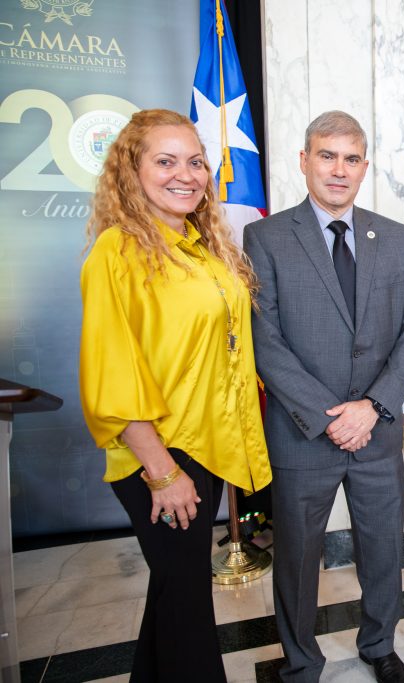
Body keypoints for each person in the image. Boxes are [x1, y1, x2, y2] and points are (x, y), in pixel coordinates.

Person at [79, 109, 272, 681]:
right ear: (130, 170)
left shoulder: (201, 245)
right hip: (159, 454)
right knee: (188, 606)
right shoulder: (119, 250)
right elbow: (113, 372)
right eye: (165, 161)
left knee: (174, 592)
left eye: (195, 162)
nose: (185, 174)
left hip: (206, 445)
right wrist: (162, 470)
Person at [244, 111, 404, 683]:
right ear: (303, 160)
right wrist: (330, 417)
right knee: (298, 561)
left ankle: (379, 646)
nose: (339, 169)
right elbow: (264, 339)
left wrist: (372, 408)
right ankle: (301, 660)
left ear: (365, 167)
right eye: (327, 155)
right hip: (304, 436)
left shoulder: (394, 237)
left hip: (373, 434)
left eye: (351, 159)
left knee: (382, 552)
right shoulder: (266, 236)